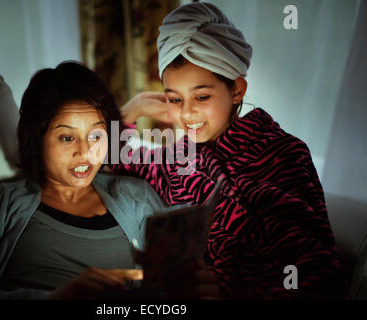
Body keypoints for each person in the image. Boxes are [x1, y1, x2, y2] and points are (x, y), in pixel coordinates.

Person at [110, 2, 346, 299]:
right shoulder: (177, 157)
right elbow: (110, 156)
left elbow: (314, 272)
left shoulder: (284, 154)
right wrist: (134, 107)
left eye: (202, 96)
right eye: (175, 99)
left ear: (236, 90)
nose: (187, 113)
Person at [0, 61, 218, 300]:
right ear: (37, 139)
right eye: (67, 137)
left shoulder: (135, 195)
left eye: (96, 135)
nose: (85, 152)